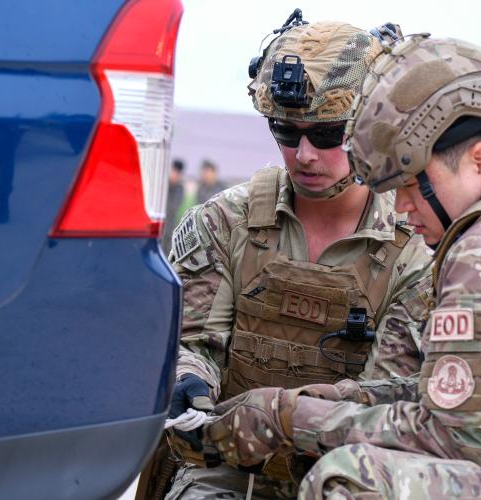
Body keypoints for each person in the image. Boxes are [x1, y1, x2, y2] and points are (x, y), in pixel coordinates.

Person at [204, 35, 481, 498]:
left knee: (352, 479)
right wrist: (318, 401)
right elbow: (449, 392)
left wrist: (288, 419)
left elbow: (456, 438)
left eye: (414, 186)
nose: (401, 207)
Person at [162, 12, 433, 500]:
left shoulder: (412, 247)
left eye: (327, 134)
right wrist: (187, 378)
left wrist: (280, 416)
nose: (304, 154)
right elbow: (192, 340)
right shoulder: (226, 220)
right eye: (286, 132)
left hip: (351, 471)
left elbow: (390, 399)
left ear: (371, 127)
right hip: (226, 469)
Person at [163, 158, 186, 255]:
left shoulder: (179, 189)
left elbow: (175, 207)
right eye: (174, 171)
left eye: (178, 173)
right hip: (161, 225)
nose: (175, 175)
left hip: (171, 226)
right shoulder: (163, 185)